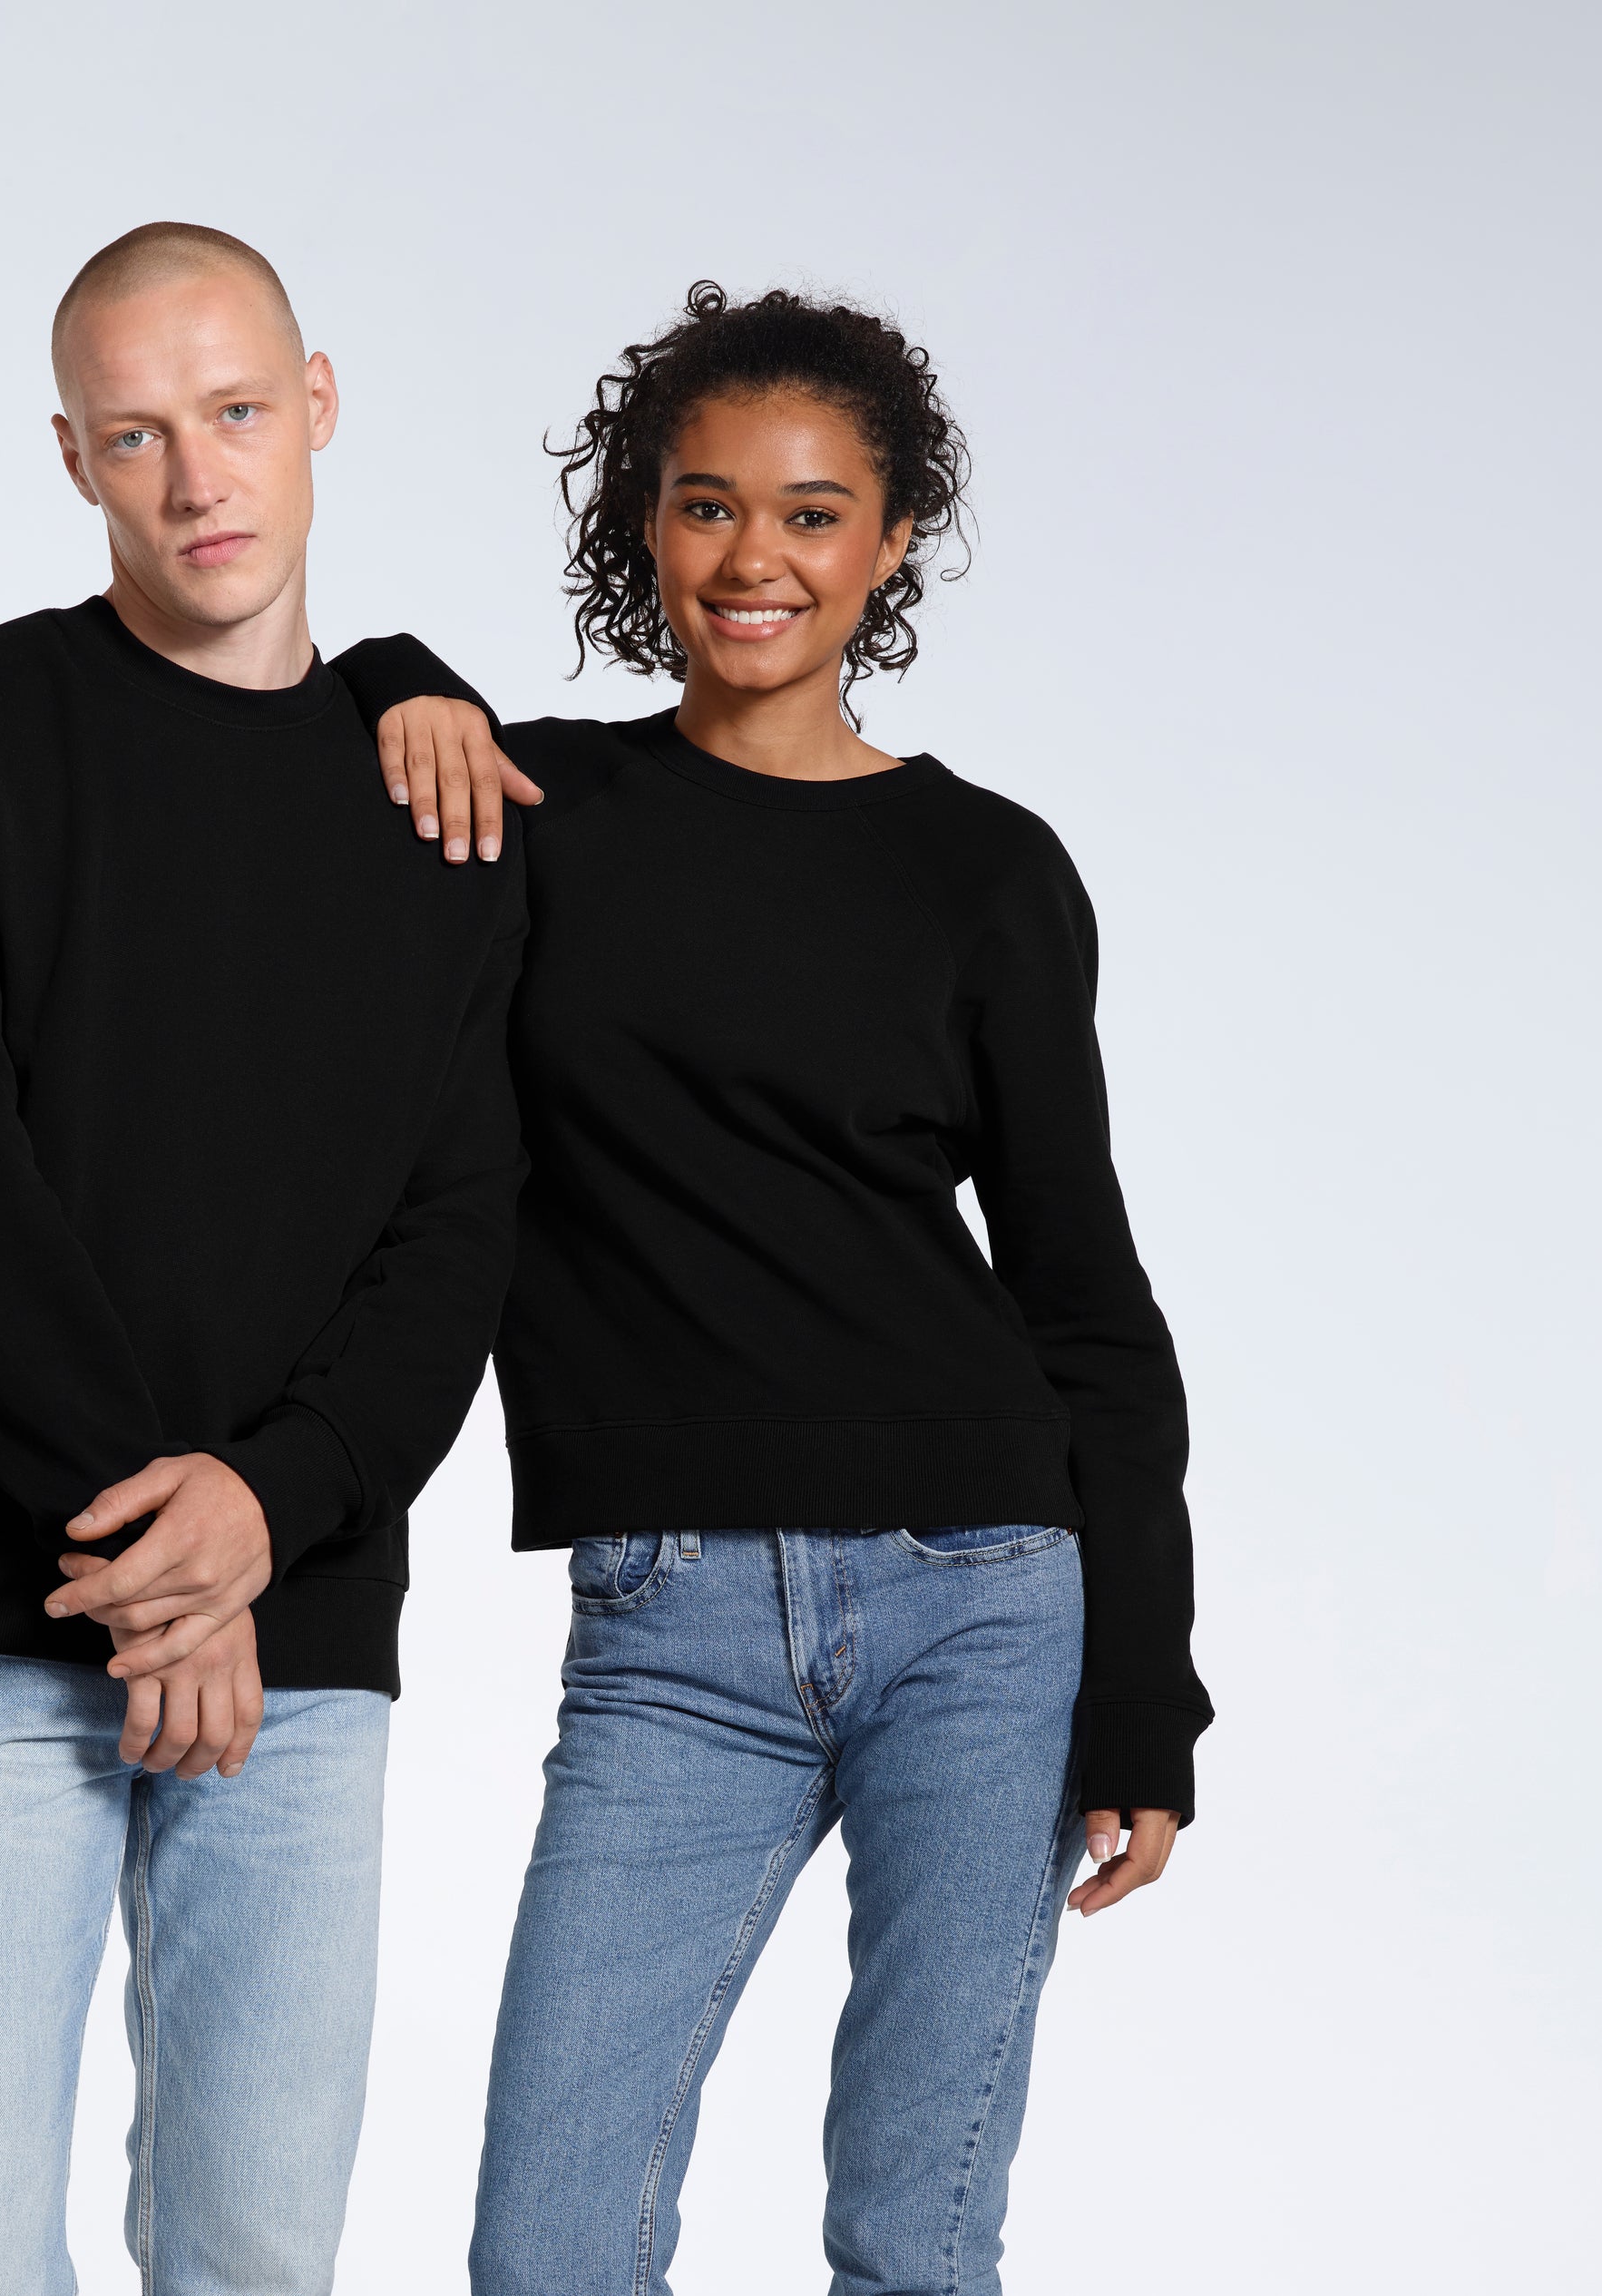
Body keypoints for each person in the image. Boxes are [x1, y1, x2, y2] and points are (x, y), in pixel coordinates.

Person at [330, 282, 1212, 2295]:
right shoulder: (532, 816)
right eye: (709, 505)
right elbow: (296, 735)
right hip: (673, 1619)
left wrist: (1145, 1693)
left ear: (891, 544)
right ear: (642, 525)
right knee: (550, 2250)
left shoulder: (987, 870)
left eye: (814, 515)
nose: (757, 559)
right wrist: (395, 667)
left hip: (987, 1600)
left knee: (916, 2239)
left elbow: (1087, 1299)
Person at [0, 220, 525, 2295]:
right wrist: (158, 1568)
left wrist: (265, 1517)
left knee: (256, 2257)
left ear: (316, 406)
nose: (198, 478)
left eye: (232, 414)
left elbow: (455, 1235)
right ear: (71, 459)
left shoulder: (447, 804)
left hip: (303, 1636)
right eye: (137, 435)